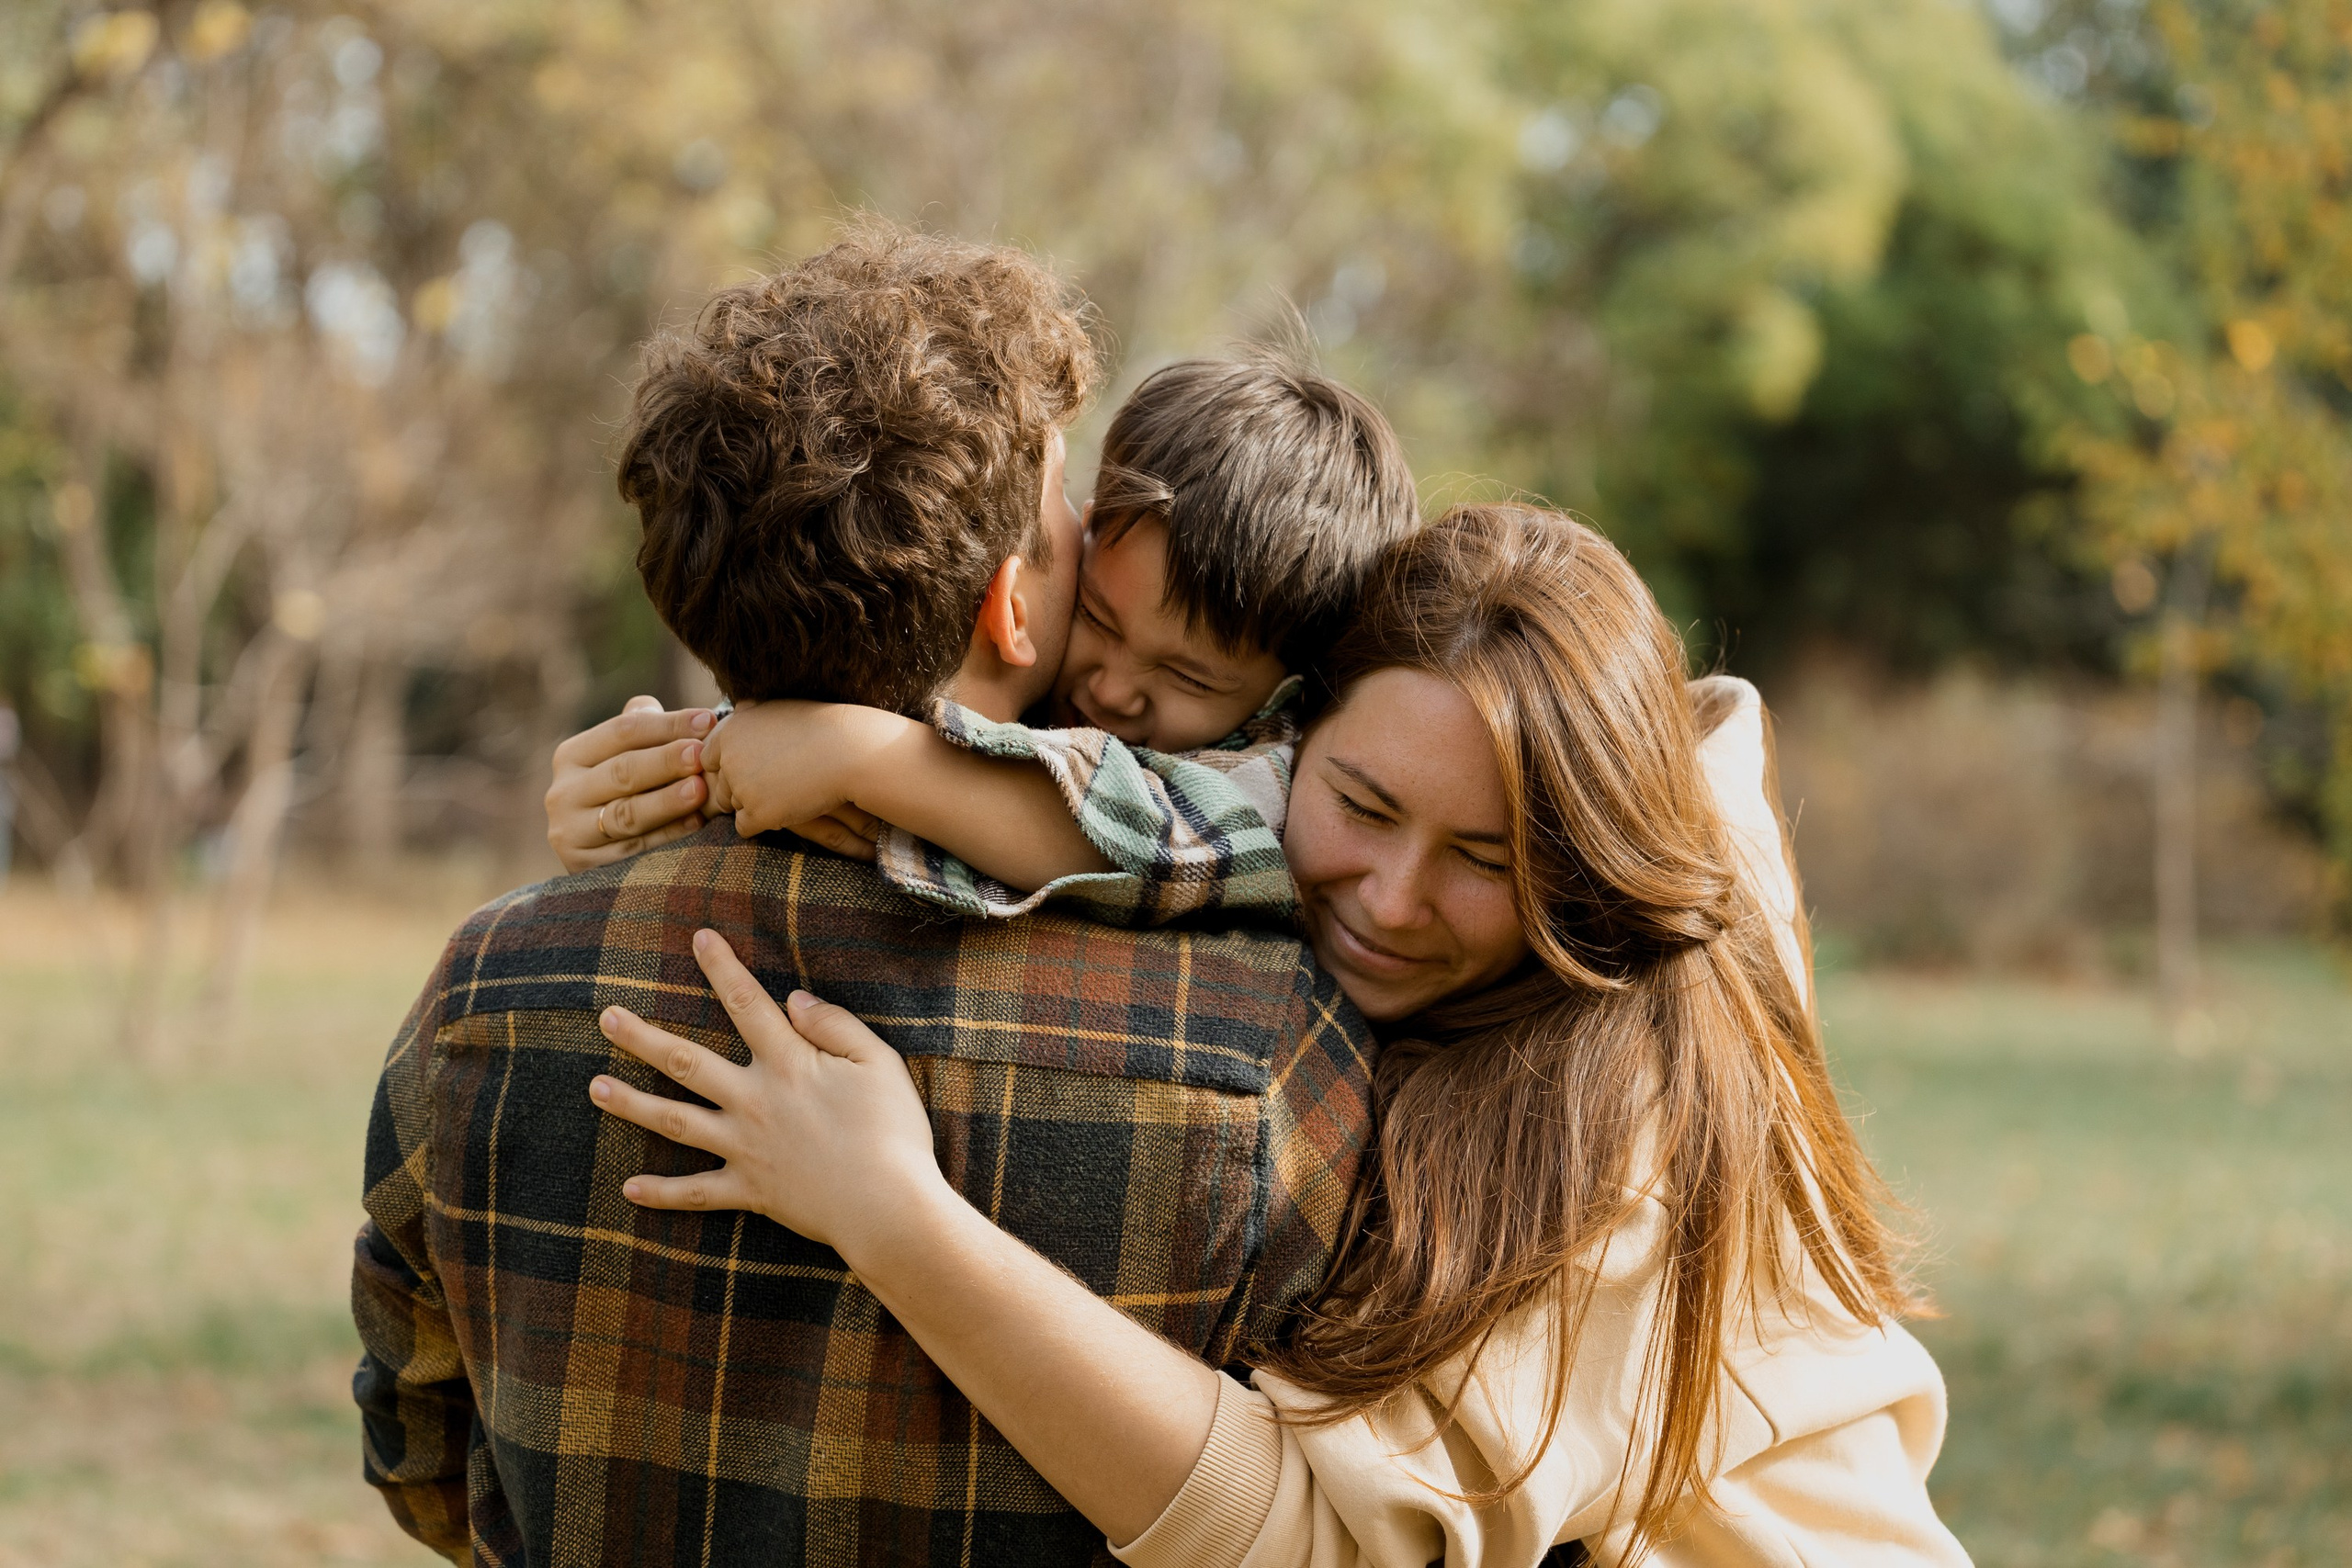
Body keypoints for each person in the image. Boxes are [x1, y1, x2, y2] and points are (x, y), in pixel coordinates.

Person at [586, 504, 1973, 1567]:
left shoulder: (1627, 1096)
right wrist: (692, 766)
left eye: (1485, 859)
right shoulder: (1305, 849)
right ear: (1282, 740)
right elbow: (1115, 812)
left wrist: (891, 1213)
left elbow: (1324, 1543)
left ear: (1584, 867)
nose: (1393, 899)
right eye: (1362, 808)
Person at [351, 220, 1386, 1564]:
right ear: (1013, 604)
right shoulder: (1283, 1048)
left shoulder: (489, 989)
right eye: (1069, 510)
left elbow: (424, 1455)